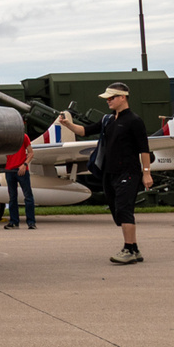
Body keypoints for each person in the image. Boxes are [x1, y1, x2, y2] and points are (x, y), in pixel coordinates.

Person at [58, 84, 154, 265]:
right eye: (107, 98)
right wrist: (67, 124)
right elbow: (84, 131)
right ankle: (134, 249)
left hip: (129, 172)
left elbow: (144, 150)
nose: (108, 101)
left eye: (112, 98)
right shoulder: (107, 120)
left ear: (123, 97)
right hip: (109, 173)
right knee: (118, 210)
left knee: (124, 209)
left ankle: (128, 249)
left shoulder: (134, 120)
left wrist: (146, 173)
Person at [3, 134, 35, 230]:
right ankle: (14, 221)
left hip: (21, 169)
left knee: (27, 196)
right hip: (9, 170)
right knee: (12, 197)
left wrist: (24, 164)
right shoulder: (6, 138)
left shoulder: (23, 136)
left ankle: (31, 222)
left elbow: (31, 153)